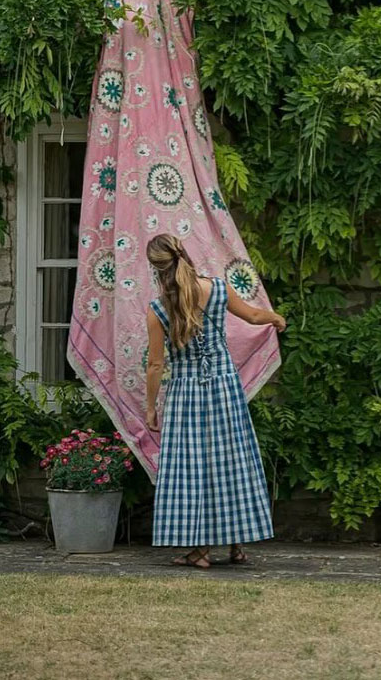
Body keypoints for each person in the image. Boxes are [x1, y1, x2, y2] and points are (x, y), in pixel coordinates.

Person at [144, 233, 286, 569]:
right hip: (224, 389)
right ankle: (237, 544)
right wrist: (275, 317)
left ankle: (201, 550)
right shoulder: (219, 289)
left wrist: (150, 407)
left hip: (185, 394)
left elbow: (155, 365)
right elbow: (252, 316)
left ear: (157, 269)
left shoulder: (159, 310)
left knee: (192, 468)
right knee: (230, 461)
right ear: (185, 255)